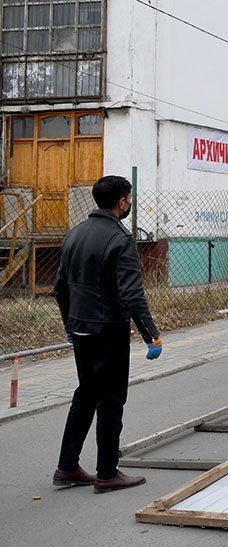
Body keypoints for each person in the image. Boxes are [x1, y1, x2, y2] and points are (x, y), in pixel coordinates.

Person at [52, 175, 161, 494]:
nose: (129, 203)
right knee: (111, 399)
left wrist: (69, 325)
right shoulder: (120, 237)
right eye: (129, 198)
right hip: (109, 330)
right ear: (122, 201)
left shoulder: (74, 233)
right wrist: (150, 333)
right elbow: (131, 293)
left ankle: (68, 466)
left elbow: (60, 286)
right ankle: (107, 473)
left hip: (80, 327)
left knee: (85, 393)